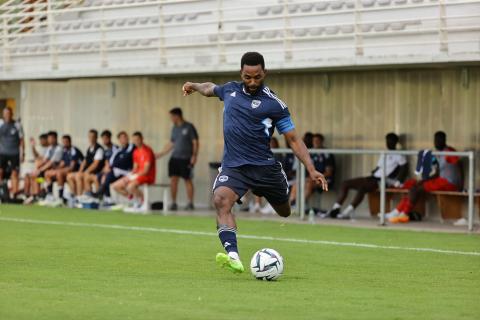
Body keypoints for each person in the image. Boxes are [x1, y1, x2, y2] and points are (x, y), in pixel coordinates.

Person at [181, 51, 328, 274]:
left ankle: (277, 194)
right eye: (247, 77)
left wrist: (311, 168)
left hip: (265, 169)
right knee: (221, 200)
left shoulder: (274, 104)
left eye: (257, 77)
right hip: (235, 166)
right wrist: (193, 84)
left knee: (284, 212)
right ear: (241, 73)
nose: (252, 82)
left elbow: (294, 139)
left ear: (264, 73)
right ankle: (233, 256)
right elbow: (210, 88)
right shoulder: (230, 90)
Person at [325, 132, 408, 219]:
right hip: (373, 177)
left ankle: (348, 212)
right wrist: (371, 173)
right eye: (387, 141)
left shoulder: (400, 155)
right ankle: (335, 208)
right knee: (345, 183)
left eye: (390, 141)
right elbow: (378, 167)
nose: (388, 143)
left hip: (383, 180)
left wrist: (399, 181)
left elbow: (404, 169)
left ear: (395, 142)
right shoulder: (384, 153)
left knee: (362, 189)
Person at [387, 131, 462, 223]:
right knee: (414, 185)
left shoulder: (449, 151)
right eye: (435, 140)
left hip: (450, 183)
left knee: (416, 189)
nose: (437, 142)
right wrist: (425, 180)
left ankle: (403, 213)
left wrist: (460, 184)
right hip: (442, 181)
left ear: (444, 140)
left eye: (439, 140)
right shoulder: (440, 153)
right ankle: (398, 211)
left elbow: (459, 165)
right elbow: (438, 172)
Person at [156, 107, 199, 211]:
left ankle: (190, 203)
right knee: (173, 180)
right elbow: (172, 143)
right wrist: (161, 153)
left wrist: (194, 156)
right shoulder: (174, 128)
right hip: (175, 158)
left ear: (177, 116)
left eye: (172, 116)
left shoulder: (189, 127)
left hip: (186, 158)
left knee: (187, 179)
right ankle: (174, 203)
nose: (171, 119)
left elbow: (195, 142)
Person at [289, 133, 335, 212]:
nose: (315, 142)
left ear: (322, 141)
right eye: (314, 141)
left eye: (317, 141)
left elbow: (329, 172)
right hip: (311, 178)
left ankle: (299, 205)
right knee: (297, 183)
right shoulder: (311, 152)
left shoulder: (326, 153)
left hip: (324, 179)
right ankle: (291, 204)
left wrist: (316, 177)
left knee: (309, 183)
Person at [112, 131, 155, 213]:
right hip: (138, 175)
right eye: (134, 140)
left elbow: (146, 170)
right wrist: (129, 176)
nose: (136, 142)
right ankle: (134, 200)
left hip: (147, 176)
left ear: (142, 139)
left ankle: (145, 202)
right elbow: (135, 168)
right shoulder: (136, 152)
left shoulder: (147, 151)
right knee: (116, 186)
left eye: (137, 139)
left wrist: (134, 176)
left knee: (130, 186)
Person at [42, 135, 83, 205]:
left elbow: (72, 167)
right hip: (64, 171)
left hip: (75, 171)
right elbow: (62, 163)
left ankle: (60, 198)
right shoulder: (64, 150)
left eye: (66, 142)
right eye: (63, 142)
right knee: (47, 174)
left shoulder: (73, 150)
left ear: (70, 142)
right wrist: (55, 169)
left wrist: (58, 170)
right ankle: (49, 196)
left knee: (59, 173)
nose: (64, 143)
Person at [96, 131, 135, 205]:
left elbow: (124, 159)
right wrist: (108, 167)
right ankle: (105, 198)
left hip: (127, 172)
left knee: (107, 176)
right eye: (121, 138)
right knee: (100, 175)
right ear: (119, 140)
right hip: (117, 171)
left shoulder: (131, 147)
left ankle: (105, 197)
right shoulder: (119, 149)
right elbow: (111, 160)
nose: (123, 139)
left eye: (124, 137)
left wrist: (111, 167)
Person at [24, 131, 63, 204]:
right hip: (46, 173)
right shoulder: (50, 148)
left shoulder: (58, 149)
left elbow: (51, 162)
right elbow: (45, 160)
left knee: (42, 175)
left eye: (50, 138)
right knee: (35, 178)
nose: (49, 140)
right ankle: (37, 196)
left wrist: (40, 170)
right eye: (48, 138)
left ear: (55, 138)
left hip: (55, 170)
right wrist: (37, 168)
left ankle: (49, 195)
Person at [66, 129, 104, 202]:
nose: (91, 138)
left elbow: (95, 164)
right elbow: (84, 162)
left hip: (95, 173)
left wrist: (86, 171)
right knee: (69, 176)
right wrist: (80, 171)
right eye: (89, 137)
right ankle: (75, 196)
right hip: (87, 171)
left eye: (93, 137)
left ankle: (80, 197)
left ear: (96, 138)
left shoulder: (99, 149)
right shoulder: (89, 148)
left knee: (79, 176)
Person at [83, 129, 118, 198]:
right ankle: (90, 197)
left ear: (110, 138)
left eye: (106, 138)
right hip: (107, 170)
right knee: (91, 177)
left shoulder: (115, 148)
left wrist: (109, 168)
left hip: (115, 170)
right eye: (103, 139)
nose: (104, 141)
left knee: (100, 177)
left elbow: (116, 161)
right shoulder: (105, 150)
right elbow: (106, 162)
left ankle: (104, 198)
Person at [0, 107, 25, 199]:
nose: (7, 115)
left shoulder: (17, 125)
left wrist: (23, 153)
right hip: (2, 152)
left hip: (14, 153)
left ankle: (14, 194)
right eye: (5, 114)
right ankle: (1, 191)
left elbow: (22, 140)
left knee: (14, 173)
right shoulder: (0, 124)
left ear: (12, 114)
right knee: (0, 171)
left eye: (9, 113)